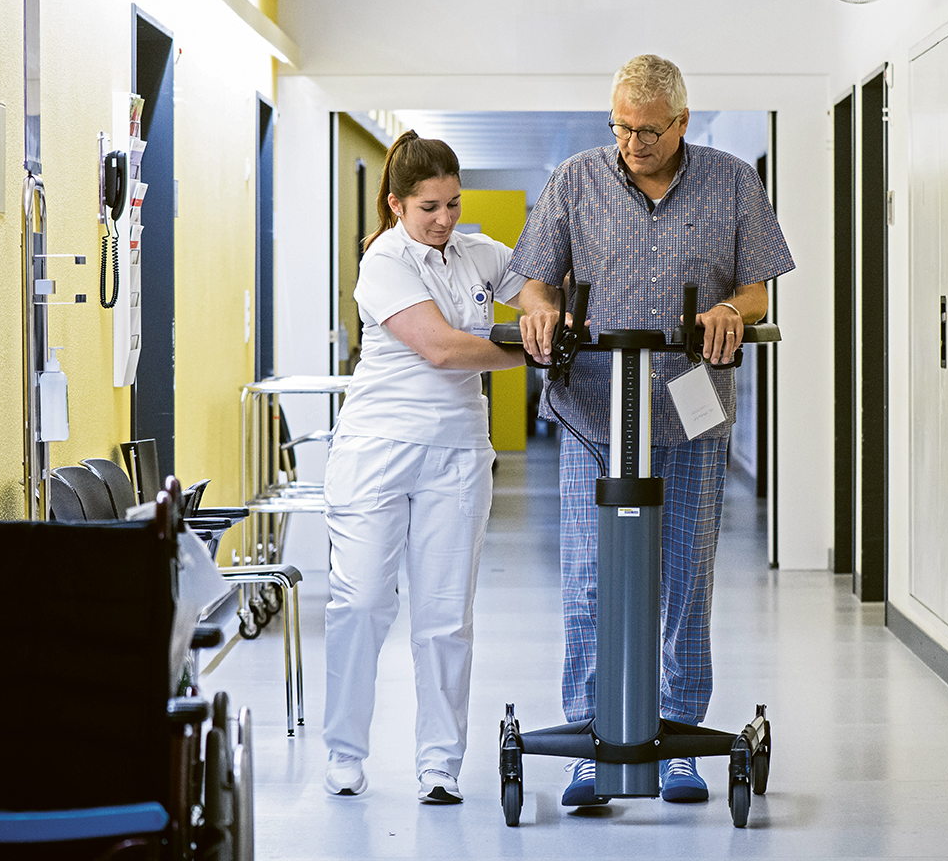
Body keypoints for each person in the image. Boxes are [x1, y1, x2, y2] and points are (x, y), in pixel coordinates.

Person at [510, 54, 794, 806]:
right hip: (593, 413)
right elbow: (536, 277)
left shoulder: (733, 179)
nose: (632, 143)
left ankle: (678, 740)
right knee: (586, 582)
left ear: (681, 123)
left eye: (647, 130)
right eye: (621, 127)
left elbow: (757, 289)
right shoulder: (576, 179)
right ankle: (591, 739)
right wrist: (540, 307)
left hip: (690, 412)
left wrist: (735, 311)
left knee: (685, 582)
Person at [323, 130, 527, 804]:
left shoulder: (479, 254)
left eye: (453, 204)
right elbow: (441, 350)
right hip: (378, 451)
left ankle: (439, 766)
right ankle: (344, 752)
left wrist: (547, 316)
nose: (444, 220)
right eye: (429, 208)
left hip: (456, 454)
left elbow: (538, 296)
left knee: (445, 616)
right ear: (396, 205)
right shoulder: (383, 260)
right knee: (362, 603)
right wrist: (534, 354)